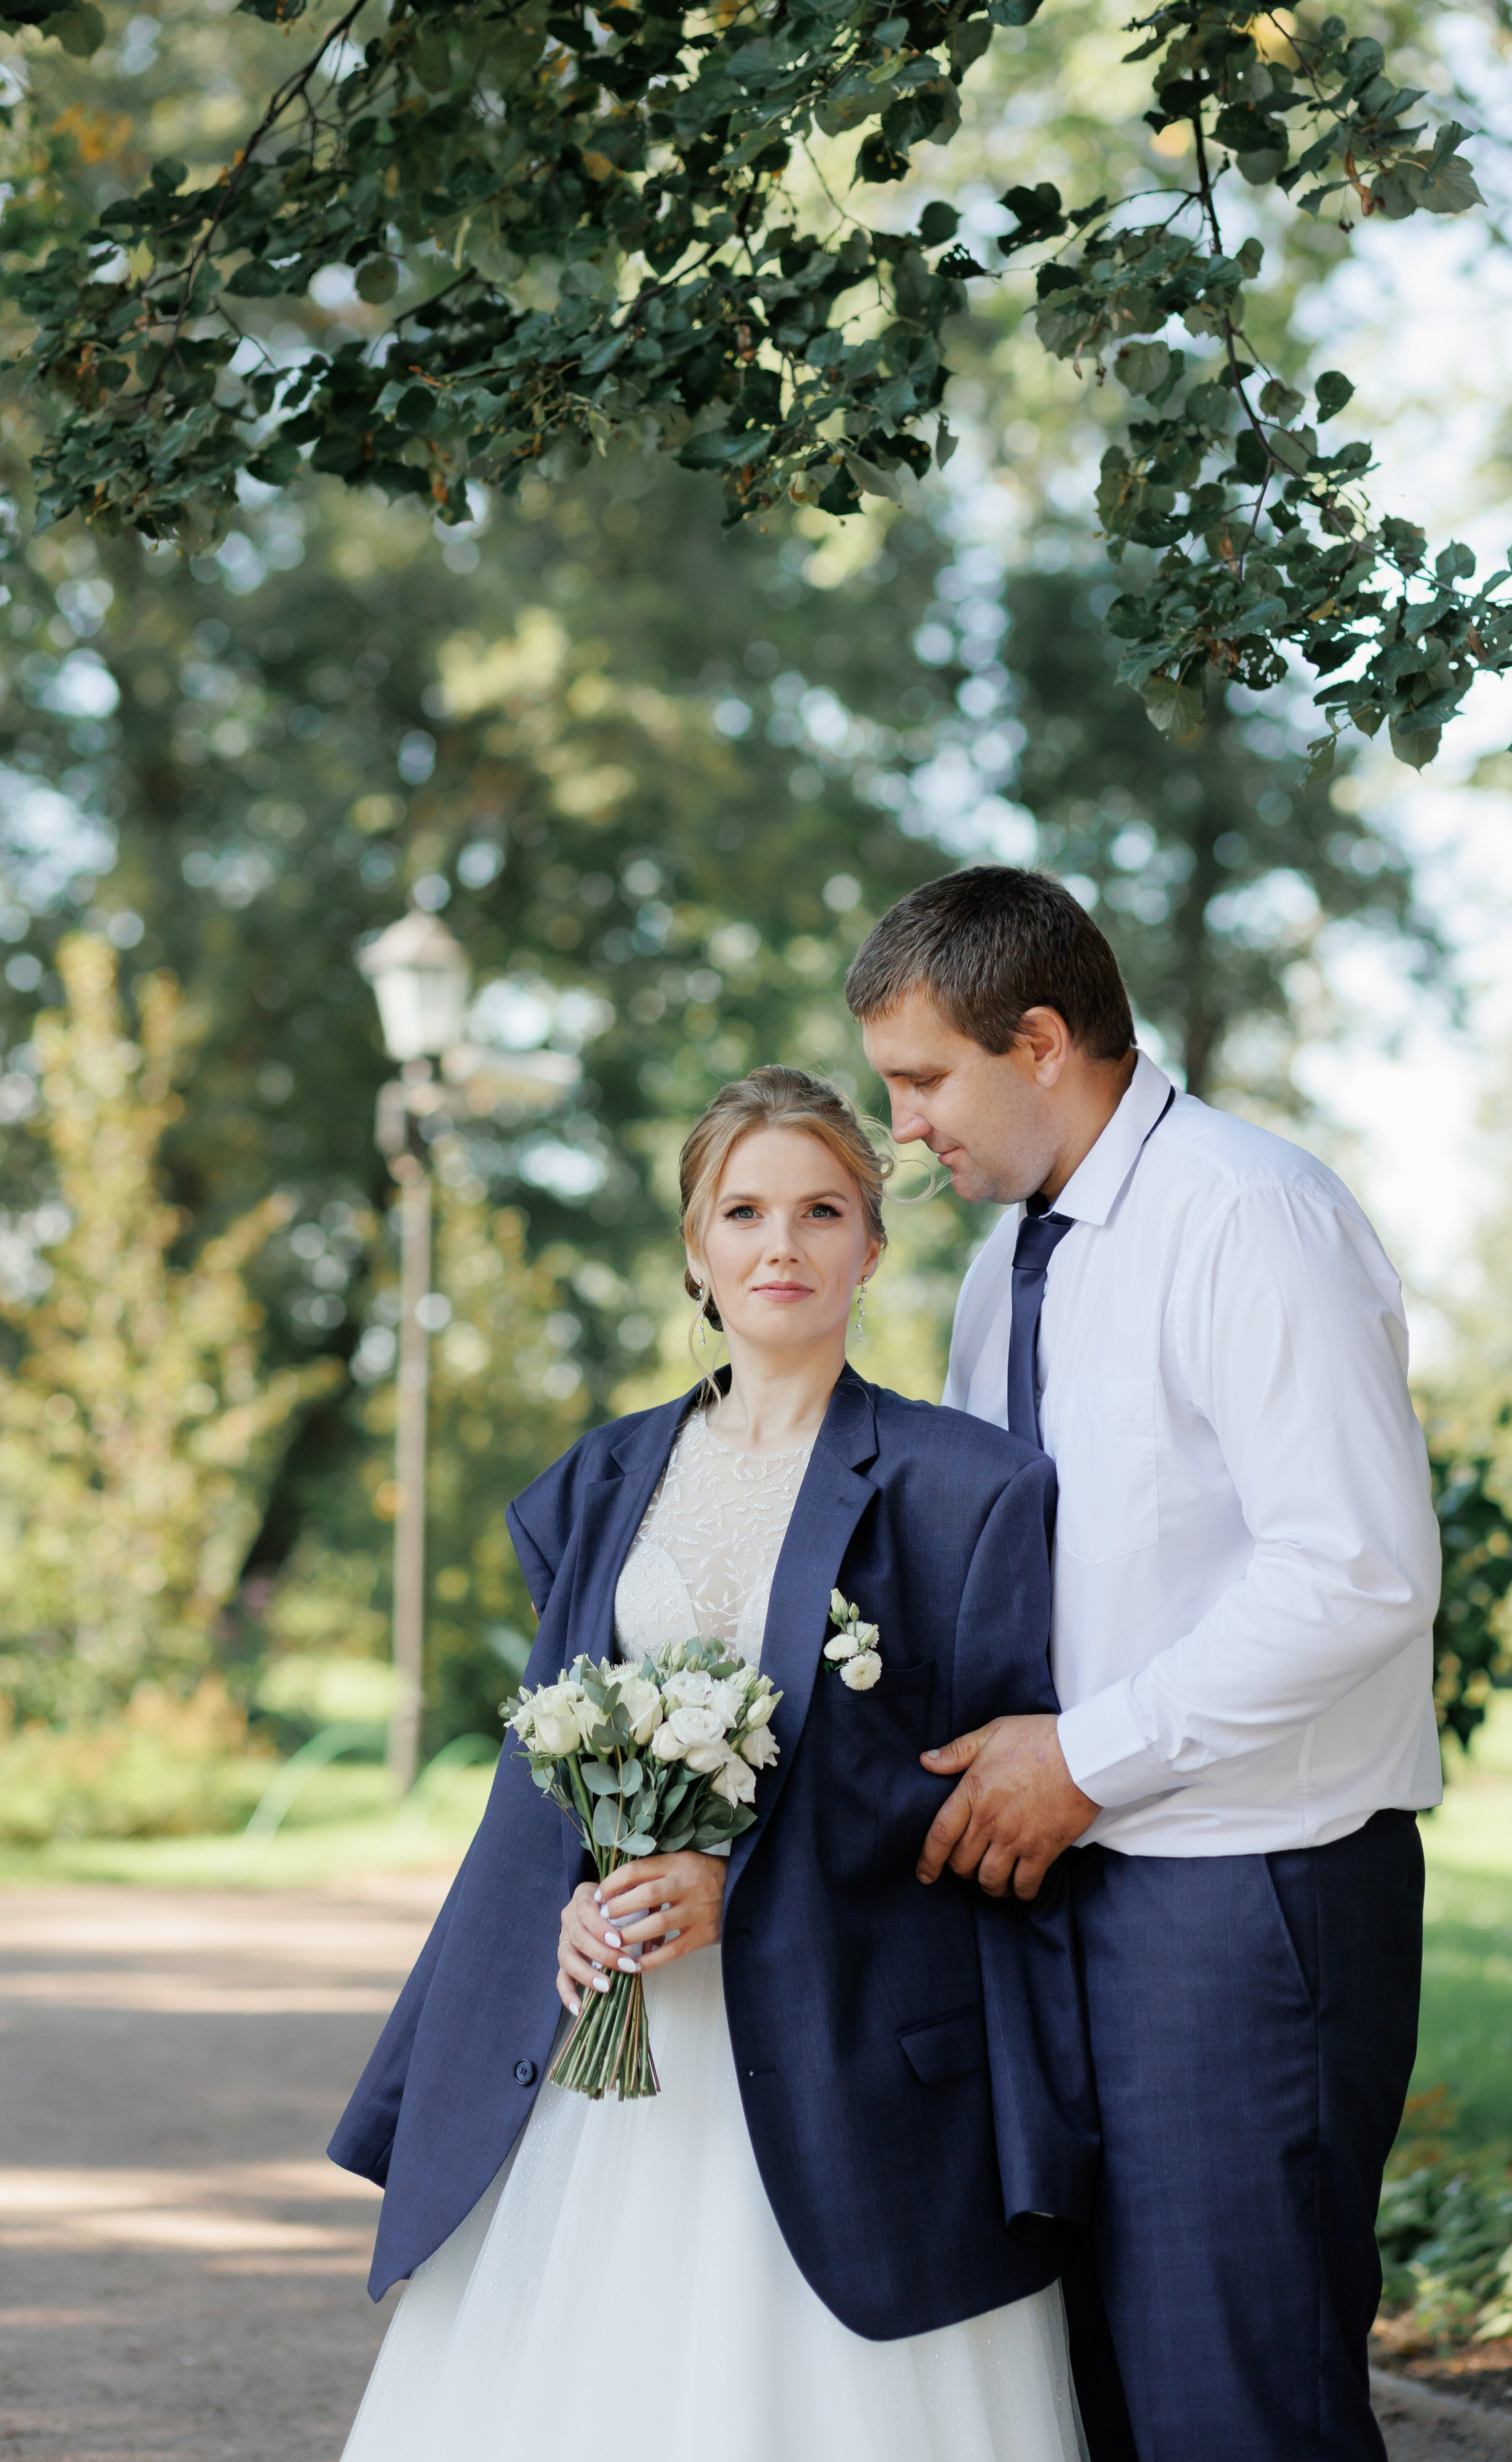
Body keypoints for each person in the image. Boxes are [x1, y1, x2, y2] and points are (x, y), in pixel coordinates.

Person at [328, 1065, 1097, 2462]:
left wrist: (751, 1886)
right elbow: (552, 1751)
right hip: (617, 2054)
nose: (779, 1245)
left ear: (872, 1245)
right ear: (695, 1251)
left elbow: (992, 1808)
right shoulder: (600, 1481)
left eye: (821, 1211)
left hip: (847, 2043)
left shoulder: (969, 1489)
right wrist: (576, 1894)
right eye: (742, 1212)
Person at [849, 866, 1443, 2462]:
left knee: (1236, 2407)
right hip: (1059, 1895)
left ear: (1040, 1041)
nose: (902, 1127)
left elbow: (1357, 1567)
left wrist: (1081, 1758)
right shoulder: (1005, 1268)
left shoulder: (1248, 1214)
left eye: (922, 1080)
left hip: (1242, 1902)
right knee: (1097, 2404)